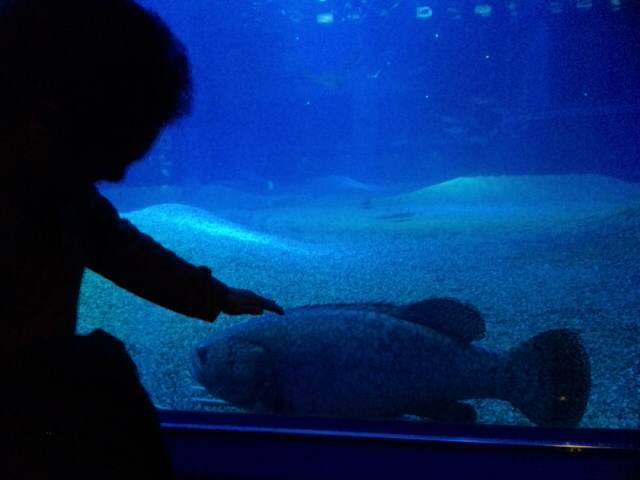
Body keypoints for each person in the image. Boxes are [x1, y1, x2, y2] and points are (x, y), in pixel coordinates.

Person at [0, 0, 284, 477]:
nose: (114, 174)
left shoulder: (58, 181)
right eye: (110, 151)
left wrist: (212, 294)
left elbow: (117, 246)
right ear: (44, 117)